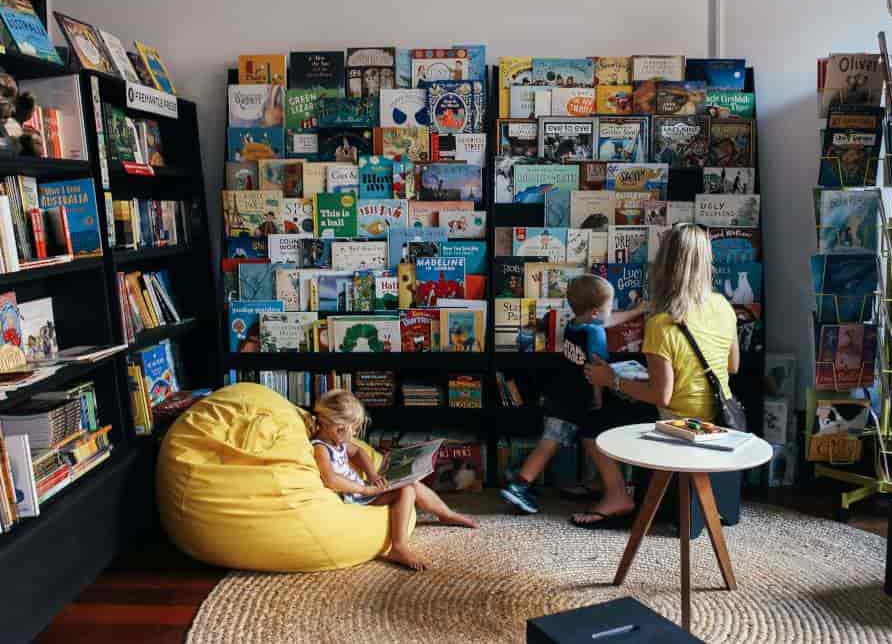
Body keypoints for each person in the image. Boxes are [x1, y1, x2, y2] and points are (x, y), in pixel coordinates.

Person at [577, 223, 740, 527]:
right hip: (717, 415)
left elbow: (660, 396)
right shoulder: (724, 307)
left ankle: (617, 496)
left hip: (679, 420)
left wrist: (609, 379)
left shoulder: (662, 323)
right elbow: (732, 367)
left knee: (592, 422)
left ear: (664, 265)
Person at [499, 274, 644, 515]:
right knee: (549, 444)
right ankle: (520, 486)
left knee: (548, 443)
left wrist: (637, 310)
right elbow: (596, 370)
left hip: (560, 393)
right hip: (576, 400)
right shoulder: (596, 335)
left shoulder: (575, 324)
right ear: (596, 312)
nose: (612, 311)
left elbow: (605, 322)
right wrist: (598, 397)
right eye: (609, 306)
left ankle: (522, 481)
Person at [310, 390, 476, 571]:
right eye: (355, 429)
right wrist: (365, 490)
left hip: (363, 490)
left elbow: (359, 452)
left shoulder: (337, 441)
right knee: (406, 490)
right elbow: (331, 479)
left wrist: (372, 475)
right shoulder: (321, 448)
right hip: (355, 498)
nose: (356, 433)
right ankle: (398, 546)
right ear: (338, 427)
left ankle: (445, 514)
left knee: (411, 482)